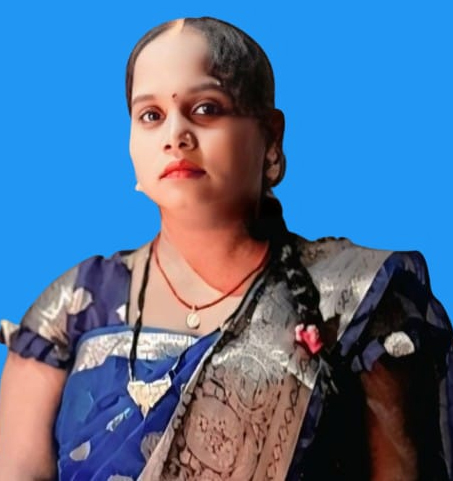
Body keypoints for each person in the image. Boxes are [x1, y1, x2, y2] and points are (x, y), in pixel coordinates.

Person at [0, 16, 452, 481]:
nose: (175, 136)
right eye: (151, 115)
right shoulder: (73, 307)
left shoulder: (356, 300)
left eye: (205, 109)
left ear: (271, 137)